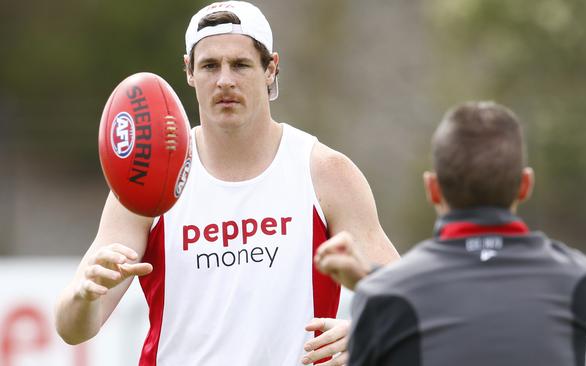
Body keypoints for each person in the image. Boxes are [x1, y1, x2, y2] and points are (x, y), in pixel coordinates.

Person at [55, 2, 399, 365]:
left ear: (271, 68)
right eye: (209, 65)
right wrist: (84, 297)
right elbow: (72, 329)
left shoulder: (324, 172)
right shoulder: (149, 177)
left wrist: (367, 331)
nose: (224, 80)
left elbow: (411, 299)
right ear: (188, 71)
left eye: (240, 64)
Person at [315, 101, 586, 366]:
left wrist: (374, 291)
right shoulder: (575, 278)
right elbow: (487, 312)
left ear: (432, 189)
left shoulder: (386, 294)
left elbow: (442, 305)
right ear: (525, 185)